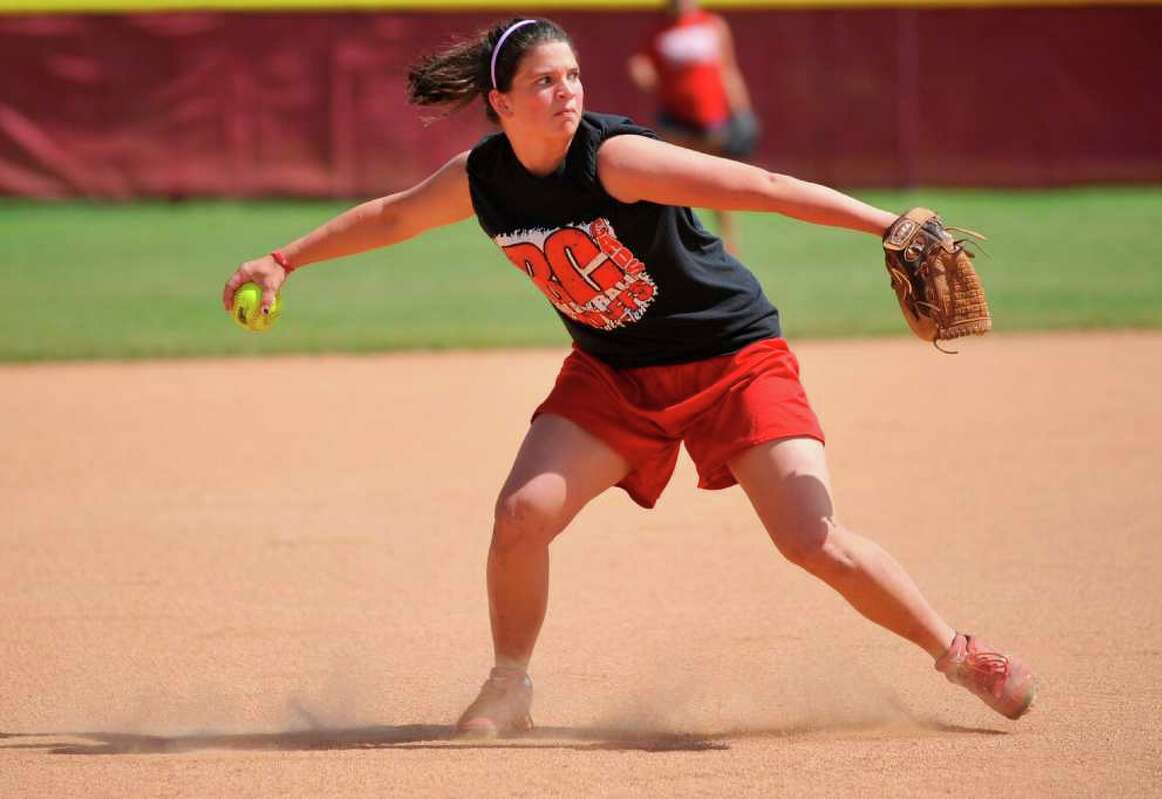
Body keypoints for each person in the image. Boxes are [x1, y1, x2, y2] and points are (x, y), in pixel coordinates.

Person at [222, 18, 1037, 739]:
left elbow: (765, 189)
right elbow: (396, 214)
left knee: (810, 538)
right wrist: (286, 257)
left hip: (730, 357)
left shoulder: (617, 159)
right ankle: (510, 685)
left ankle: (958, 654)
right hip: (614, 373)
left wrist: (885, 223)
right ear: (501, 104)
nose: (566, 91)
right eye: (544, 80)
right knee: (521, 514)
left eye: (573, 75)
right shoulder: (485, 178)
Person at [627, 0, 760, 254]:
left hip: (711, 114)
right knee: (672, 178)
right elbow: (643, 63)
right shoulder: (660, 29)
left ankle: (729, 242)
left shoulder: (712, 24)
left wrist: (742, 109)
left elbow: (728, 69)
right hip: (675, 115)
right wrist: (641, 70)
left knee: (716, 181)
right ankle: (677, 240)